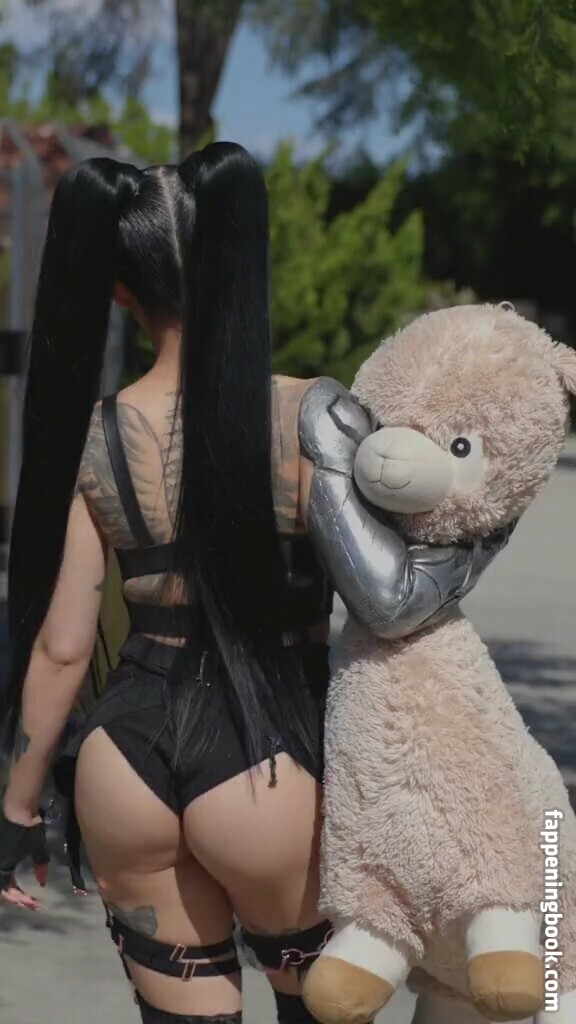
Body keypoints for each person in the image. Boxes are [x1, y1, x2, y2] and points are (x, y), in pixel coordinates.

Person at [0, 144, 511, 1024]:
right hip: (272, 759)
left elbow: (63, 647)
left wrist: (16, 807)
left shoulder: (94, 437)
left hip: (124, 766)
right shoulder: (308, 412)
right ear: (236, 260)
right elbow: (387, 595)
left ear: (119, 291)